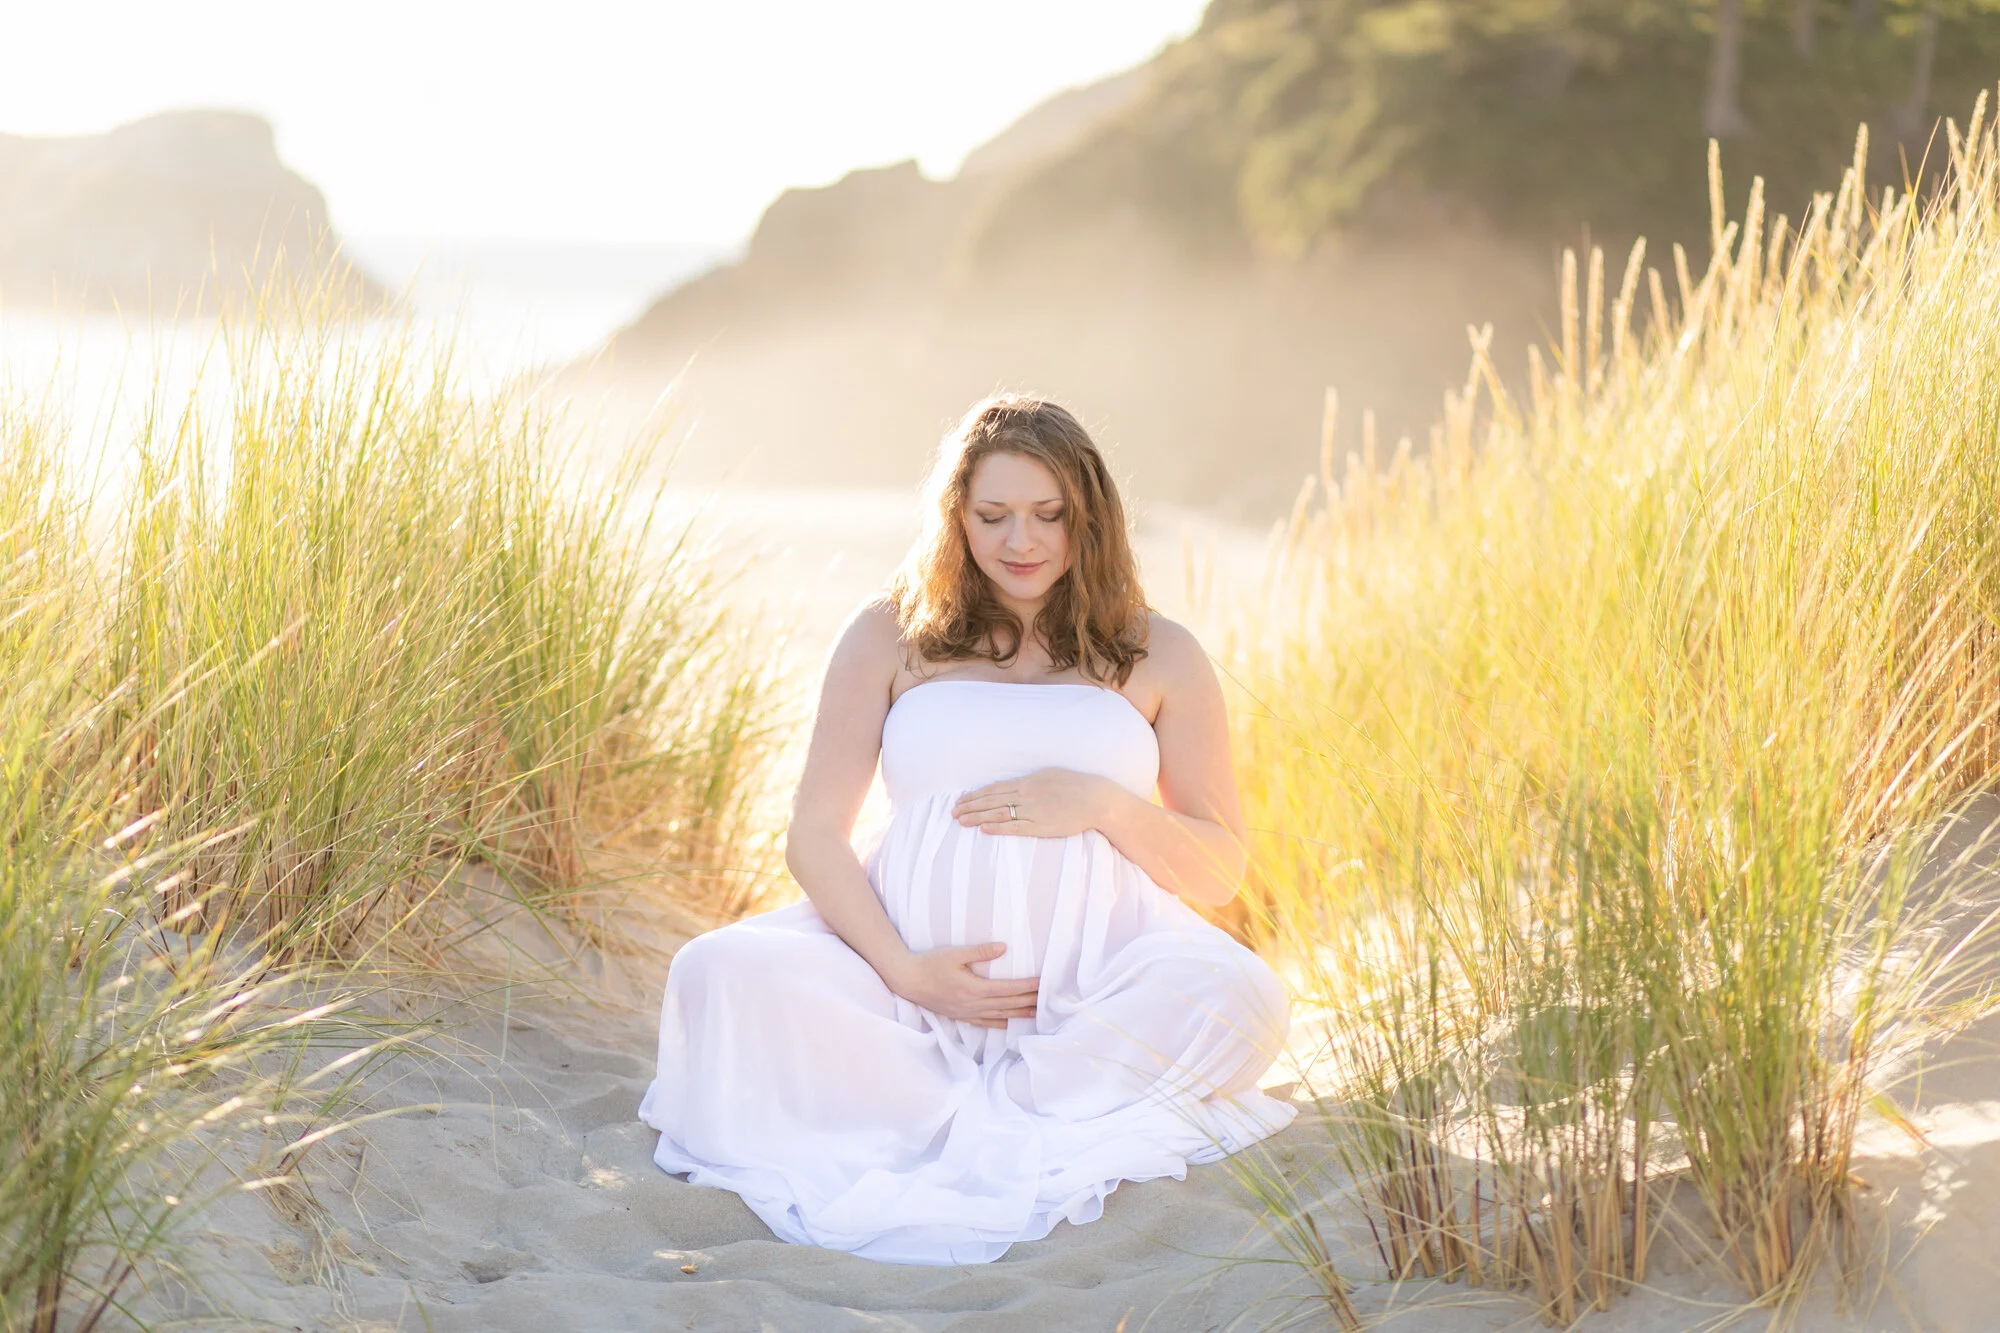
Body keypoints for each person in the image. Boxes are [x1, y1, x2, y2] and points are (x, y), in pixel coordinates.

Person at [637, 394, 1295, 1265]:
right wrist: (906, 971)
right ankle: (951, 1098)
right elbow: (815, 836)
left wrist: (1103, 804)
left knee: (1245, 998)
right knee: (712, 971)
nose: (1020, 541)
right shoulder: (890, 633)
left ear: (1089, 518)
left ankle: (1011, 1107)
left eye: (1048, 515)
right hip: (905, 998)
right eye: (993, 515)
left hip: (1099, 989)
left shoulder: (1157, 651)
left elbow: (1218, 869)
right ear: (956, 517)